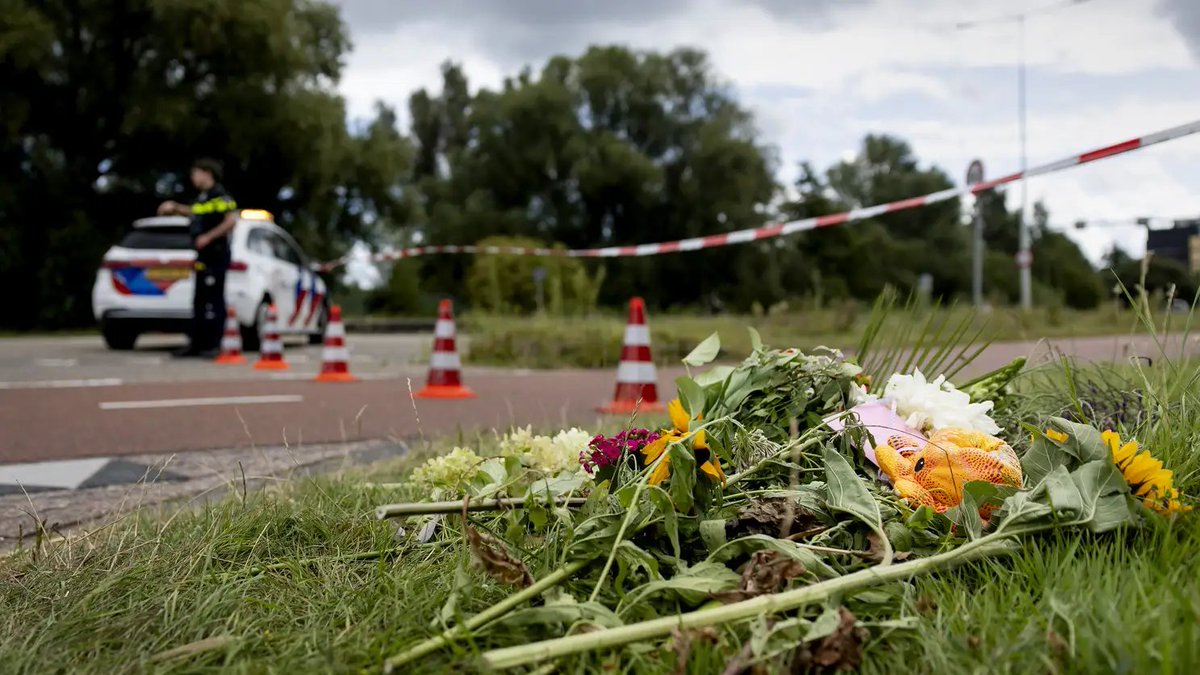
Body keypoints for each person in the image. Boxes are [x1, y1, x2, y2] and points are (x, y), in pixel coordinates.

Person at [157, 159, 238, 358]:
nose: (193, 178)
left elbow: (231, 220)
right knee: (199, 300)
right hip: (203, 255)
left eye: (195, 173)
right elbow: (194, 212)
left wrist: (208, 237)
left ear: (207, 173)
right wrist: (175, 208)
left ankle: (215, 345)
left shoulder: (220, 195)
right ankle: (197, 344)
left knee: (215, 300)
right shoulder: (202, 198)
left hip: (216, 254)